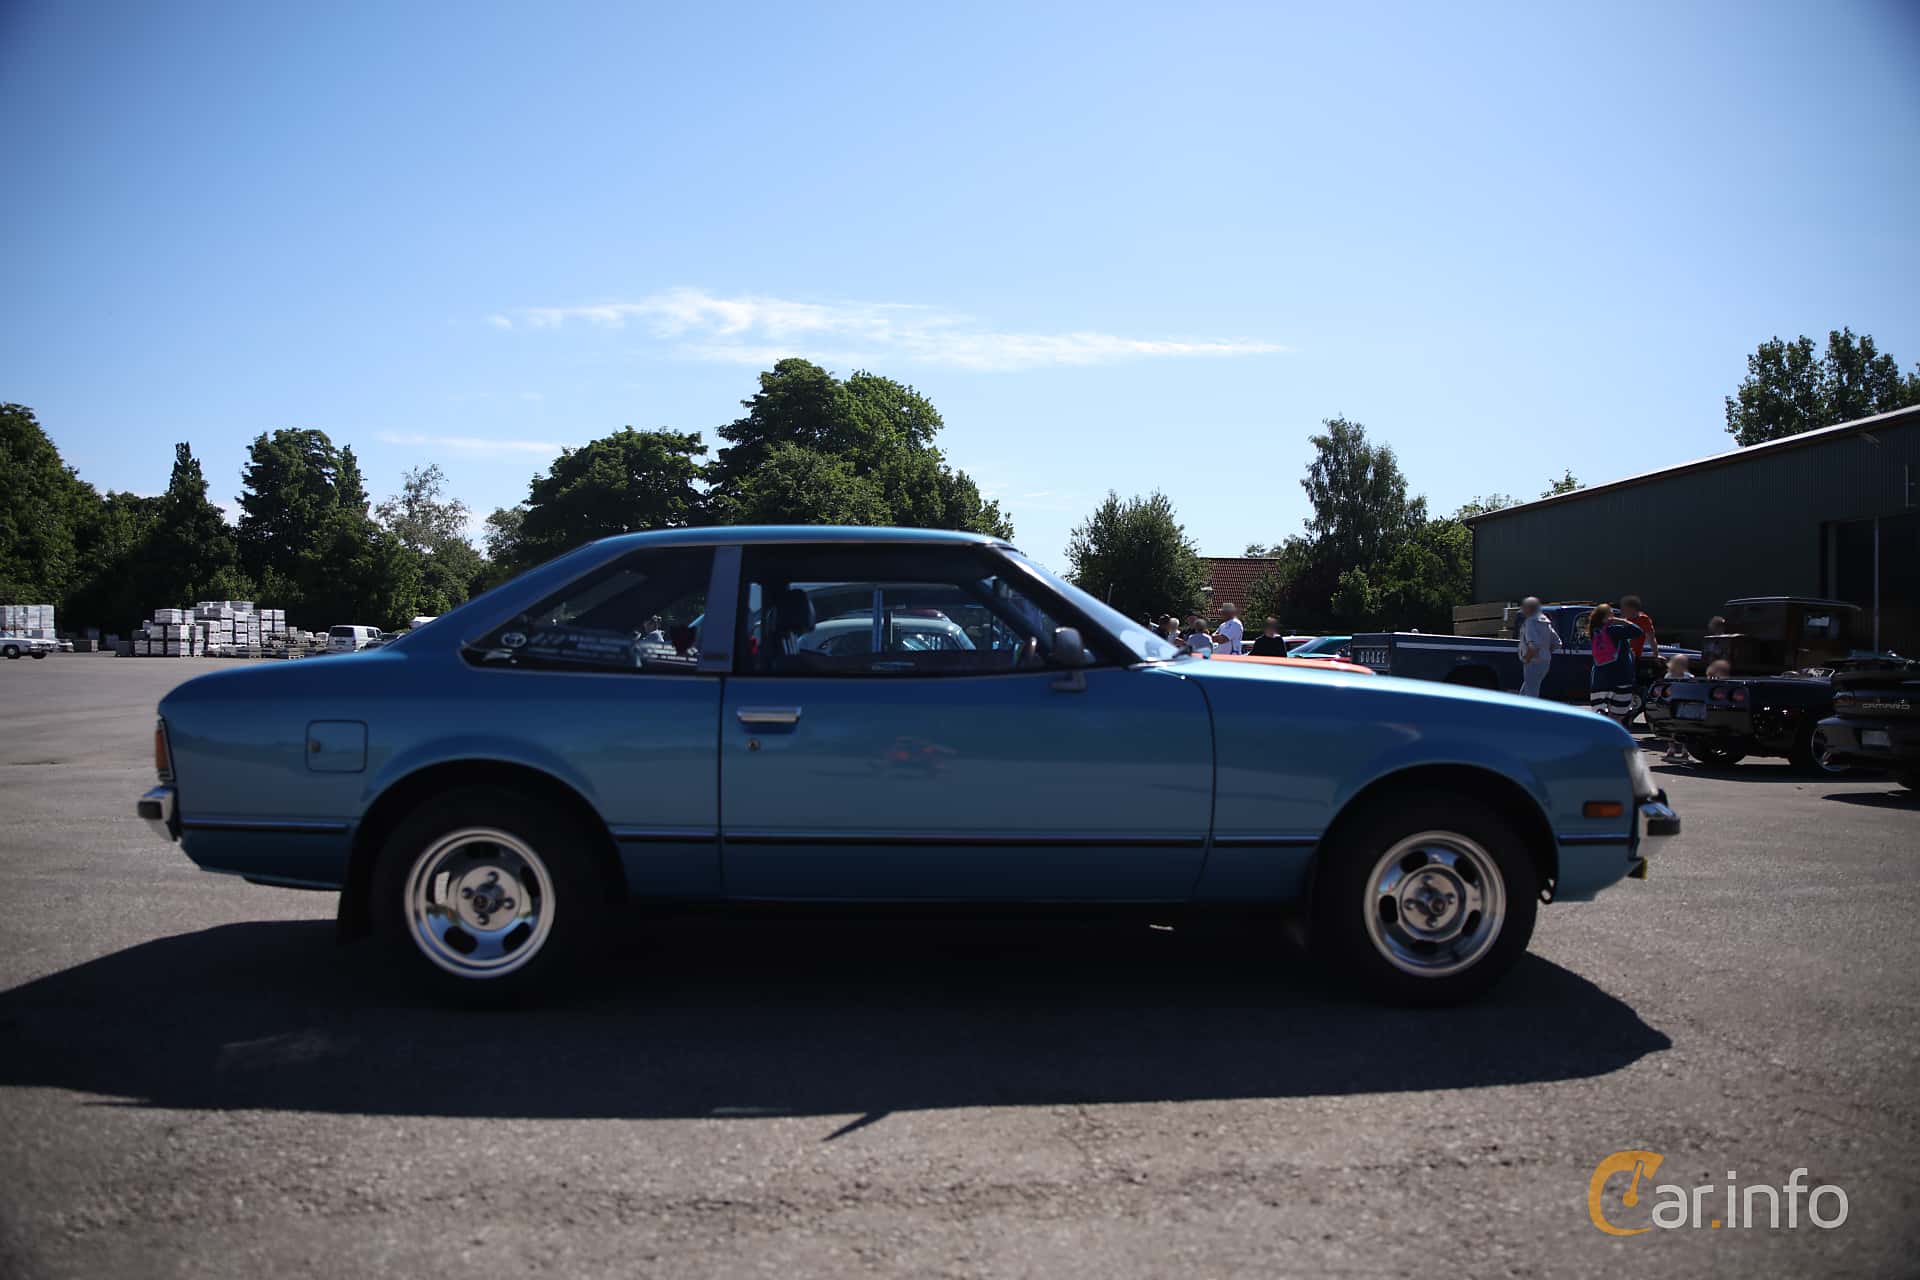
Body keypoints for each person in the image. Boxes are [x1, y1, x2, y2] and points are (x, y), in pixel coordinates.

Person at [1587, 603, 1643, 719]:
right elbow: (1638, 631)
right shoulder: (1615, 631)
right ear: (1608, 617)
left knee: (1600, 715)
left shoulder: (1594, 631)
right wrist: (1622, 621)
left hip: (1599, 679)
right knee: (1617, 717)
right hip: (1621, 678)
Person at [1515, 597, 1557, 697]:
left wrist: (1527, 659)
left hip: (1533, 661)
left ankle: (1530, 707)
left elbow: (1533, 645)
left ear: (1529, 609)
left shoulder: (1530, 622)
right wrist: (1545, 652)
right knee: (1528, 687)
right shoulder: (1546, 622)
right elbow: (1557, 642)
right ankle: (1518, 705)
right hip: (1545, 662)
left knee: (1531, 692)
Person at [1659, 653, 1695, 762]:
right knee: (1671, 727)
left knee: (1684, 728)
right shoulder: (1669, 676)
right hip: (1672, 704)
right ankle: (1671, 748)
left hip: (1684, 705)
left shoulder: (1688, 677)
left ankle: (1685, 749)